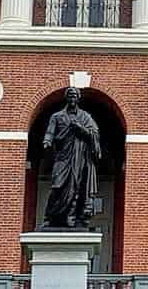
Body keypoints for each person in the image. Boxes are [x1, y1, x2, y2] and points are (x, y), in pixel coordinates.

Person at [40, 85, 102, 230]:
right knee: (57, 186)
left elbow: (94, 134)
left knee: (76, 187)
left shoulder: (85, 117)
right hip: (63, 156)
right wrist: (47, 141)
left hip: (79, 158)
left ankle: (71, 218)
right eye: (70, 95)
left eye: (75, 95)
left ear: (78, 98)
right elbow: (50, 132)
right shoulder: (57, 116)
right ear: (66, 98)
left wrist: (81, 129)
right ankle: (50, 217)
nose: (72, 98)